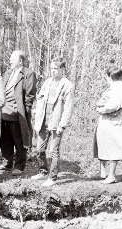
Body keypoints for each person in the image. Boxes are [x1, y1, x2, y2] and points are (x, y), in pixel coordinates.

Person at [31, 57, 74, 187]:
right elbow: (40, 99)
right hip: (43, 120)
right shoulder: (48, 82)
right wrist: (36, 113)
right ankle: (43, 171)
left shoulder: (67, 85)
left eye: (56, 69)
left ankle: (52, 177)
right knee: (39, 149)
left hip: (56, 122)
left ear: (62, 69)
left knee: (53, 151)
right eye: (51, 69)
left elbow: (68, 107)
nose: (53, 71)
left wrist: (62, 124)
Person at [0, 50, 36, 176]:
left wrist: (25, 110)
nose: (10, 61)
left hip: (17, 112)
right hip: (4, 111)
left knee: (19, 140)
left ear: (20, 61)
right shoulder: (8, 73)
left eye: (13, 60)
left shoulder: (28, 73)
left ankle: (19, 165)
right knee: (5, 140)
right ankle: (7, 163)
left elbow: (30, 94)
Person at [94, 66, 122, 184]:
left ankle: (111, 176)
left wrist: (102, 109)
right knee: (105, 144)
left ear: (109, 77)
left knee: (114, 147)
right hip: (109, 121)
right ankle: (105, 173)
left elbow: (114, 105)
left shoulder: (119, 88)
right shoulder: (114, 88)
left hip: (116, 123)